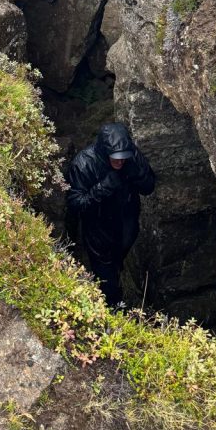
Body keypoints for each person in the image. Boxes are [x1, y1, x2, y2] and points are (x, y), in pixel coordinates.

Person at [66, 122, 156, 307]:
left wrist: (136, 174)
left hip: (126, 218)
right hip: (98, 225)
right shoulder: (83, 164)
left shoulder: (132, 156)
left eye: (123, 157)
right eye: (115, 157)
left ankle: (116, 270)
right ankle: (113, 306)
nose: (120, 161)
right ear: (103, 151)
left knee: (120, 254)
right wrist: (102, 188)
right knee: (105, 274)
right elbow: (75, 204)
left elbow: (149, 187)